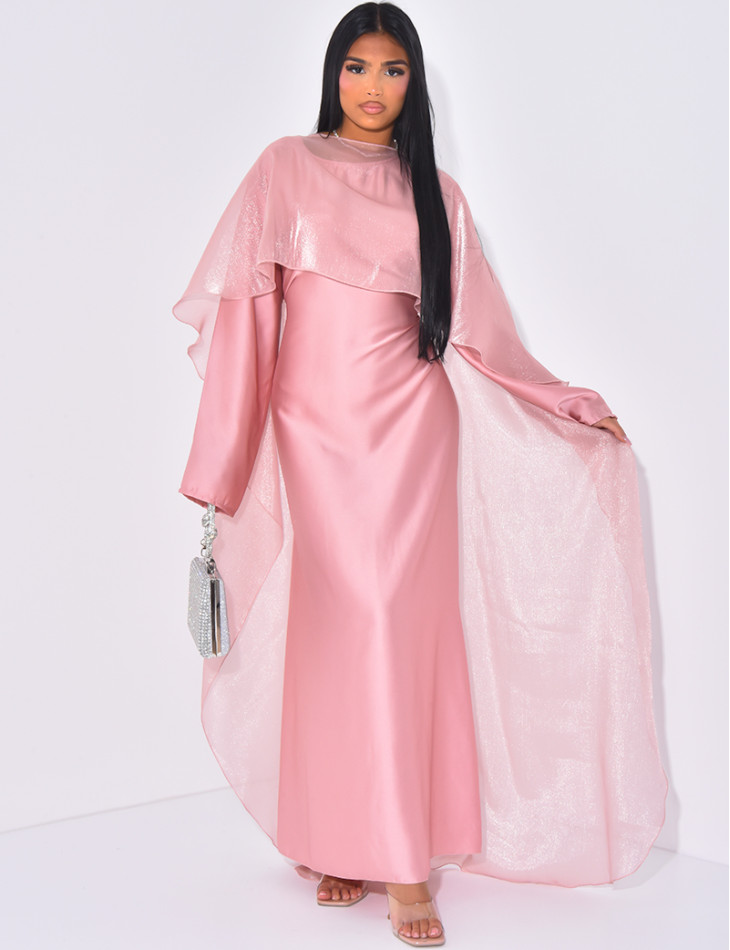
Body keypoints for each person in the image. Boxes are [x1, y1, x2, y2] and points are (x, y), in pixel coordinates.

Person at [174, 3, 668, 945]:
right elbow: (247, 315)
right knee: (337, 629)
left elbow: (483, 331)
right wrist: (220, 459)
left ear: (414, 83)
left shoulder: (436, 191)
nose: (373, 87)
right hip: (315, 433)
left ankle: (402, 862)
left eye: (393, 70)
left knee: (397, 631)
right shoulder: (285, 166)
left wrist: (567, 400)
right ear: (333, 73)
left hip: (411, 431)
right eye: (357, 67)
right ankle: (337, 837)